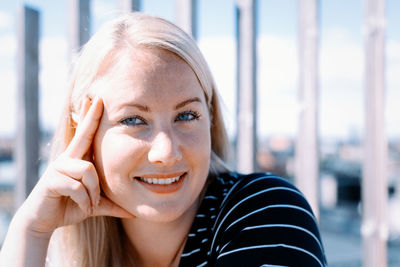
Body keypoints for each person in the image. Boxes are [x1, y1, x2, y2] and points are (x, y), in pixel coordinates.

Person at [0, 12, 326, 267]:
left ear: (209, 118)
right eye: (133, 120)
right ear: (86, 130)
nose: (166, 152)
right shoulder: (69, 253)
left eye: (186, 115)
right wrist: (30, 230)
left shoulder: (264, 212)